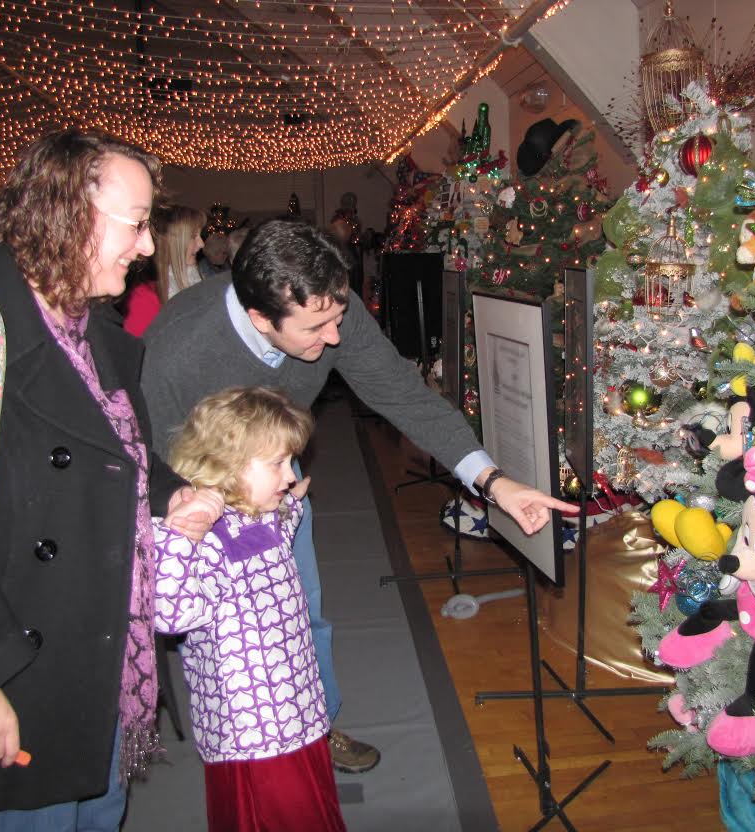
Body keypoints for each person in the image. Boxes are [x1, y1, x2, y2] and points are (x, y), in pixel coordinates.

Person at [141, 219, 577, 774]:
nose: (335, 339)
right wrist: (195, 507)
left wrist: (493, 481)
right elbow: (142, 453)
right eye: (317, 328)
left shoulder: (326, 301)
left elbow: (401, 393)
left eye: (337, 317)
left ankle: (316, 727)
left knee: (301, 607)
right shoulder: (180, 345)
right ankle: (253, 754)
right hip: (193, 491)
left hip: (275, 471)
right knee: (228, 637)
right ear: (259, 319)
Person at [0, 127, 222, 830]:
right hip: (10, 672)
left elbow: (113, 452)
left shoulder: (92, 331)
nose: (149, 246)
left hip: (98, 669)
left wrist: (168, 492)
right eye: (135, 224)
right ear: (66, 214)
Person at [152, 387, 345, 832]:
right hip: (251, 732)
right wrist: (180, 537)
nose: (289, 475)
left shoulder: (266, 514)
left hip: (299, 711)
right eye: (277, 464)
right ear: (226, 465)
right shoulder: (203, 538)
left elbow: (282, 526)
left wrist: (292, 500)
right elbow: (169, 613)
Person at [122, 204, 206, 336]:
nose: (202, 244)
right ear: (174, 242)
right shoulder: (146, 297)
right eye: (194, 236)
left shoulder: (200, 282)